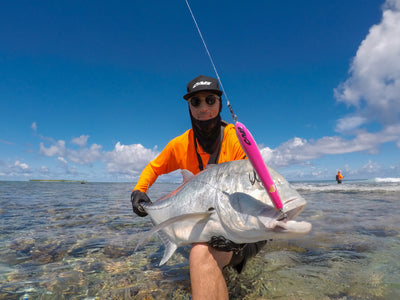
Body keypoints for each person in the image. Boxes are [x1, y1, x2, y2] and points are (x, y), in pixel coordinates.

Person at [131, 75, 267, 299]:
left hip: (242, 231)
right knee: (202, 251)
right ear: (189, 107)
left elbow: (254, 183)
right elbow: (152, 168)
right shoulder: (180, 145)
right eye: (196, 102)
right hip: (208, 227)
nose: (204, 108)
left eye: (210, 100)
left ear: (220, 103)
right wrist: (140, 190)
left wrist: (234, 237)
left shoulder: (235, 139)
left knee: (200, 253)